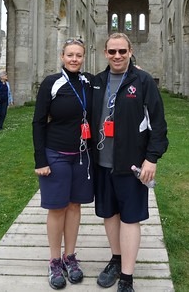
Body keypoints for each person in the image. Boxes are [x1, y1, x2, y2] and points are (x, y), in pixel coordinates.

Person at [92, 32, 169, 292]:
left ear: (130, 51)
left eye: (122, 51)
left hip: (132, 165)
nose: (117, 56)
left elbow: (158, 124)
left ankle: (127, 277)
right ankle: (115, 259)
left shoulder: (143, 80)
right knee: (109, 214)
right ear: (105, 53)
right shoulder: (97, 82)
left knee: (130, 218)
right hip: (103, 163)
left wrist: (151, 158)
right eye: (112, 51)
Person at [32, 38, 94, 290]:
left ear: (83, 57)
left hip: (81, 155)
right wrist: (40, 160)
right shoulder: (51, 83)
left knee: (74, 205)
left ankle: (70, 256)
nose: (74, 59)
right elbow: (38, 122)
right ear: (62, 56)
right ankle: (55, 260)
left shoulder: (89, 83)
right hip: (55, 154)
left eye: (78, 55)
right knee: (57, 208)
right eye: (70, 55)